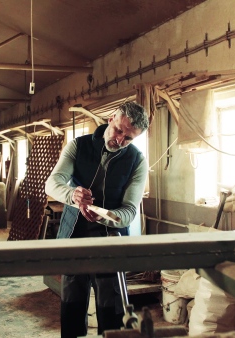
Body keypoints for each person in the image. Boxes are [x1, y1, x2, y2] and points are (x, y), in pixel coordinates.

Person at [45, 101, 149, 337]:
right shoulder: (78, 146)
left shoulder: (137, 161)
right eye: (120, 130)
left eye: (129, 138)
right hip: (74, 239)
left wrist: (107, 217)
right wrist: (72, 194)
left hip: (110, 243)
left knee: (111, 314)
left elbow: (130, 210)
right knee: (72, 307)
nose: (120, 140)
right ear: (111, 118)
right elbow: (52, 183)